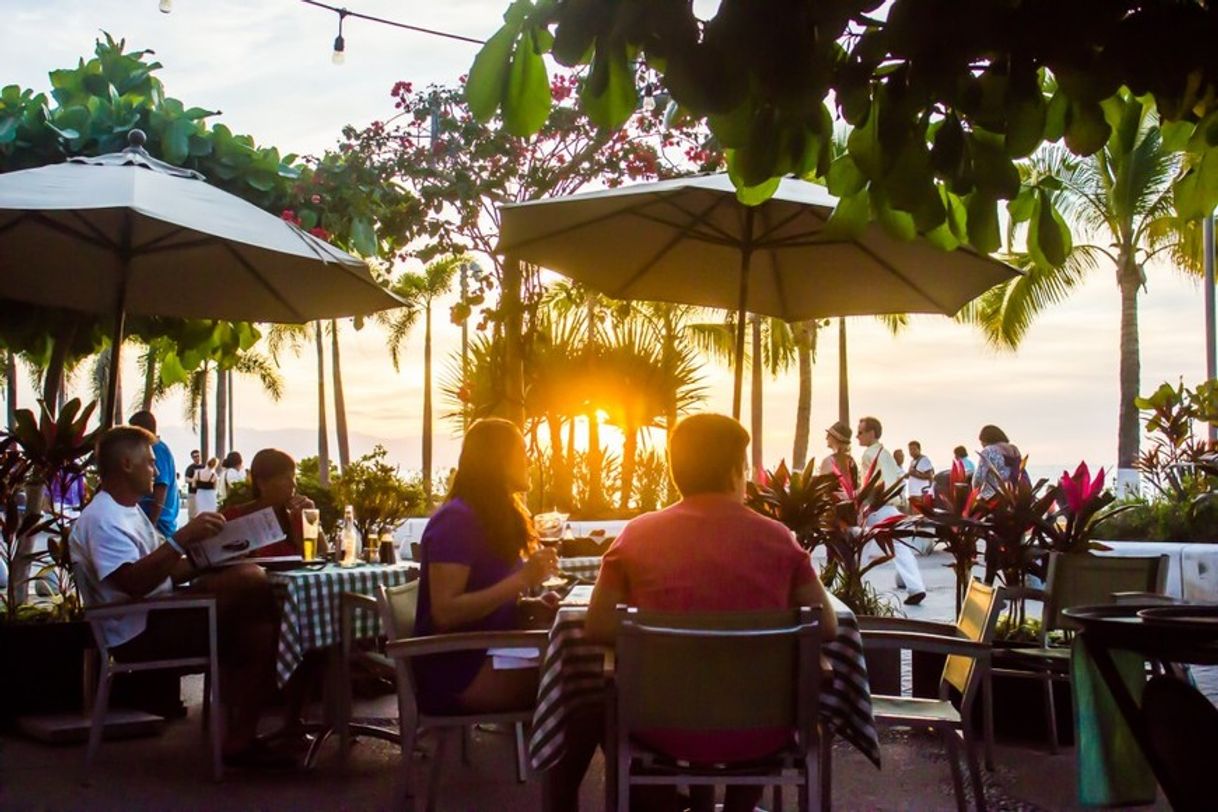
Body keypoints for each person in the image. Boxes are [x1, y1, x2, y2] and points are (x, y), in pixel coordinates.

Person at [545, 414, 837, 812]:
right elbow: (828, 625)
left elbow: (597, 624)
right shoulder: (778, 538)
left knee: (598, 703)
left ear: (674, 471)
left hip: (660, 729)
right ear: (737, 471)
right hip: (762, 733)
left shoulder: (638, 535)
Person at [68, 426, 290, 768]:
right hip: (138, 631)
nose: (157, 471)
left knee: (258, 615)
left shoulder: (127, 511)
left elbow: (166, 571)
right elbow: (134, 582)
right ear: (127, 464)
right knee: (256, 604)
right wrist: (182, 539)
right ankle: (245, 738)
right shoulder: (103, 519)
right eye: (150, 463)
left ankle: (242, 738)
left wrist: (215, 554)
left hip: (156, 612)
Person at [413, 418, 560, 716]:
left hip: (492, 651)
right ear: (498, 460)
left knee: (594, 668)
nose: (528, 459)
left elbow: (488, 594)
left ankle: (548, 761)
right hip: (459, 671)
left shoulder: (493, 517)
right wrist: (522, 579)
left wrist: (529, 605)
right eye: (521, 450)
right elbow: (445, 613)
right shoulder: (457, 520)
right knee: (588, 679)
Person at [857, 416, 927, 606]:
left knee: (860, 547)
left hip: (876, 508)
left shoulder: (868, 456)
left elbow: (868, 484)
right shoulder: (885, 453)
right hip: (892, 506)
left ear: (871, 433)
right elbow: (898, 478)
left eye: (861, 432)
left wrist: (859, 504)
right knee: (901, 547)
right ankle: (916, 587)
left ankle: (852, 585)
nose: (857, 436)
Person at [221, 449, 314, 558]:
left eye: (293, 477)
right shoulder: (235, 518)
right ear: (262, 483)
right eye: (285, 478)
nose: (293, 484)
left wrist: (311, 521)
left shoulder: (296, 515)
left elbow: (321, 557)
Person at [128, 411, 179, 538]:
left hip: (158, 525)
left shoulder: (156, 449)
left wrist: (151, 525)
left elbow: (161, 487)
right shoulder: (155, 448)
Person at [973, 425, 1024, 498]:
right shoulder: (1014, 450)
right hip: (1014, 496)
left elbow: (978, 478)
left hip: (991, 498)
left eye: (981, 441)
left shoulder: (989, 450)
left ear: (985, 440)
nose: (981, 444)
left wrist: (974, 494)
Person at [817, 419, 859, 488]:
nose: (826, 438)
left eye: (828, 435)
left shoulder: (828, 461)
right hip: (850, 498)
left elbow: (822, 489)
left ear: (835, 438)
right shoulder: (851, 461)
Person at [183, 449, 203, 520]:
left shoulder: (204, 467)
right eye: (194, 457)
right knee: (192, 515)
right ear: (192, 458)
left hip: (203, 493)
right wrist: (194, 480)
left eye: (198, 456)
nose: (197, 458)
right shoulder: (190, 468)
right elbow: (186, 479)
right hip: (193, 493)